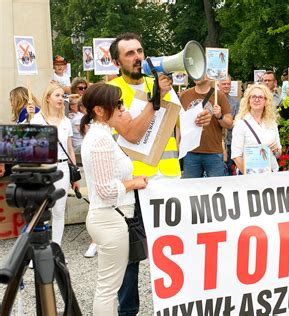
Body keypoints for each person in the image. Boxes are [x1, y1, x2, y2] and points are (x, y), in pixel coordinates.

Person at [108, 32, 211, 315]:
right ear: (117, 61)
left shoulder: (160, 84)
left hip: (168, 180)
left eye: (139, 51)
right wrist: (156, 98)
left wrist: (199, 120)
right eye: (129, 53)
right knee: (132, 254)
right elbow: (131, 132)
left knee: (173, 248)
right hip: (136, 184)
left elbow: (180, 128)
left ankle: (176, 305)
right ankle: (128, 311)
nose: (137, 57)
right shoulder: (113, 91)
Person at [80, 83, 148, 315]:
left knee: (110, 285)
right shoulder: (100, 139)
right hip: (110, 218)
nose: (122, 107)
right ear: (99, 110)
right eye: (117, 103)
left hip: (113, 217)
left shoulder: (103, 135)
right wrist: (134, 183)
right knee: (109, 287)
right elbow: (105, 190)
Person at [30, 83, 80, 246]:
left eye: (62, 96)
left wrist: (75, 174)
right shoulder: (37, 120)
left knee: (59, 210)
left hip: (63, 168)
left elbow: (70, 149)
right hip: (43, 169)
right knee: (41, 211)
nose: (61, 99)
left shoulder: (66, 121)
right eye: (57, 95)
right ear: (48, 98)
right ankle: (38, 250)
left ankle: (55, 248)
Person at [180, 76, 233, 178]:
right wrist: (179, 142)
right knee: (190, 189)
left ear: (208, 75)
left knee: (216, 189)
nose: (196, 74)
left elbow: (229, 123)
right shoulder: (184, 95)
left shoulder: (220, 96)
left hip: (213, 152)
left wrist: (220, 116)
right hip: (190, 152)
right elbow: (180, 122)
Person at [231, 84, 281, 173]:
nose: (256, 99)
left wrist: (276, 150)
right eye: (253, 97)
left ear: (266, 101)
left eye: (260, 97)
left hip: (271, 173)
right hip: (250, 176)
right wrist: (250, 176)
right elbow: (236, 156)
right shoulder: (241, 124)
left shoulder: (272, 123)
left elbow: (278, 154)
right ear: (248, 100)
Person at [218, 75, 240, 175]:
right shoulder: (213, 100)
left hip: (230, 141)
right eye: (224, 84)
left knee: (230, 171)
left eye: (228, 84)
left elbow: (236, 122)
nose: (226, 86)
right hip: (216, 142)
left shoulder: (235, 103)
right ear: (218, 85)